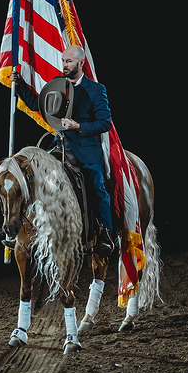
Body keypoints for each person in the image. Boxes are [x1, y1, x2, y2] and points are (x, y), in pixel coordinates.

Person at [10, 45, 115, 256]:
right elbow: (35, 104)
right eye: (63, 60)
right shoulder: (57, 85)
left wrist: (79, 127)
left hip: (86, 149)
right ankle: (25, 232)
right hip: (61, 146)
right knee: (34, 178)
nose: (64, 65)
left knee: (97, 185)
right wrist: (19, 84)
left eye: (68, 61)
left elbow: (105, 123)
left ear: (81, 63)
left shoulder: (96, 90)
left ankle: (105, 234)